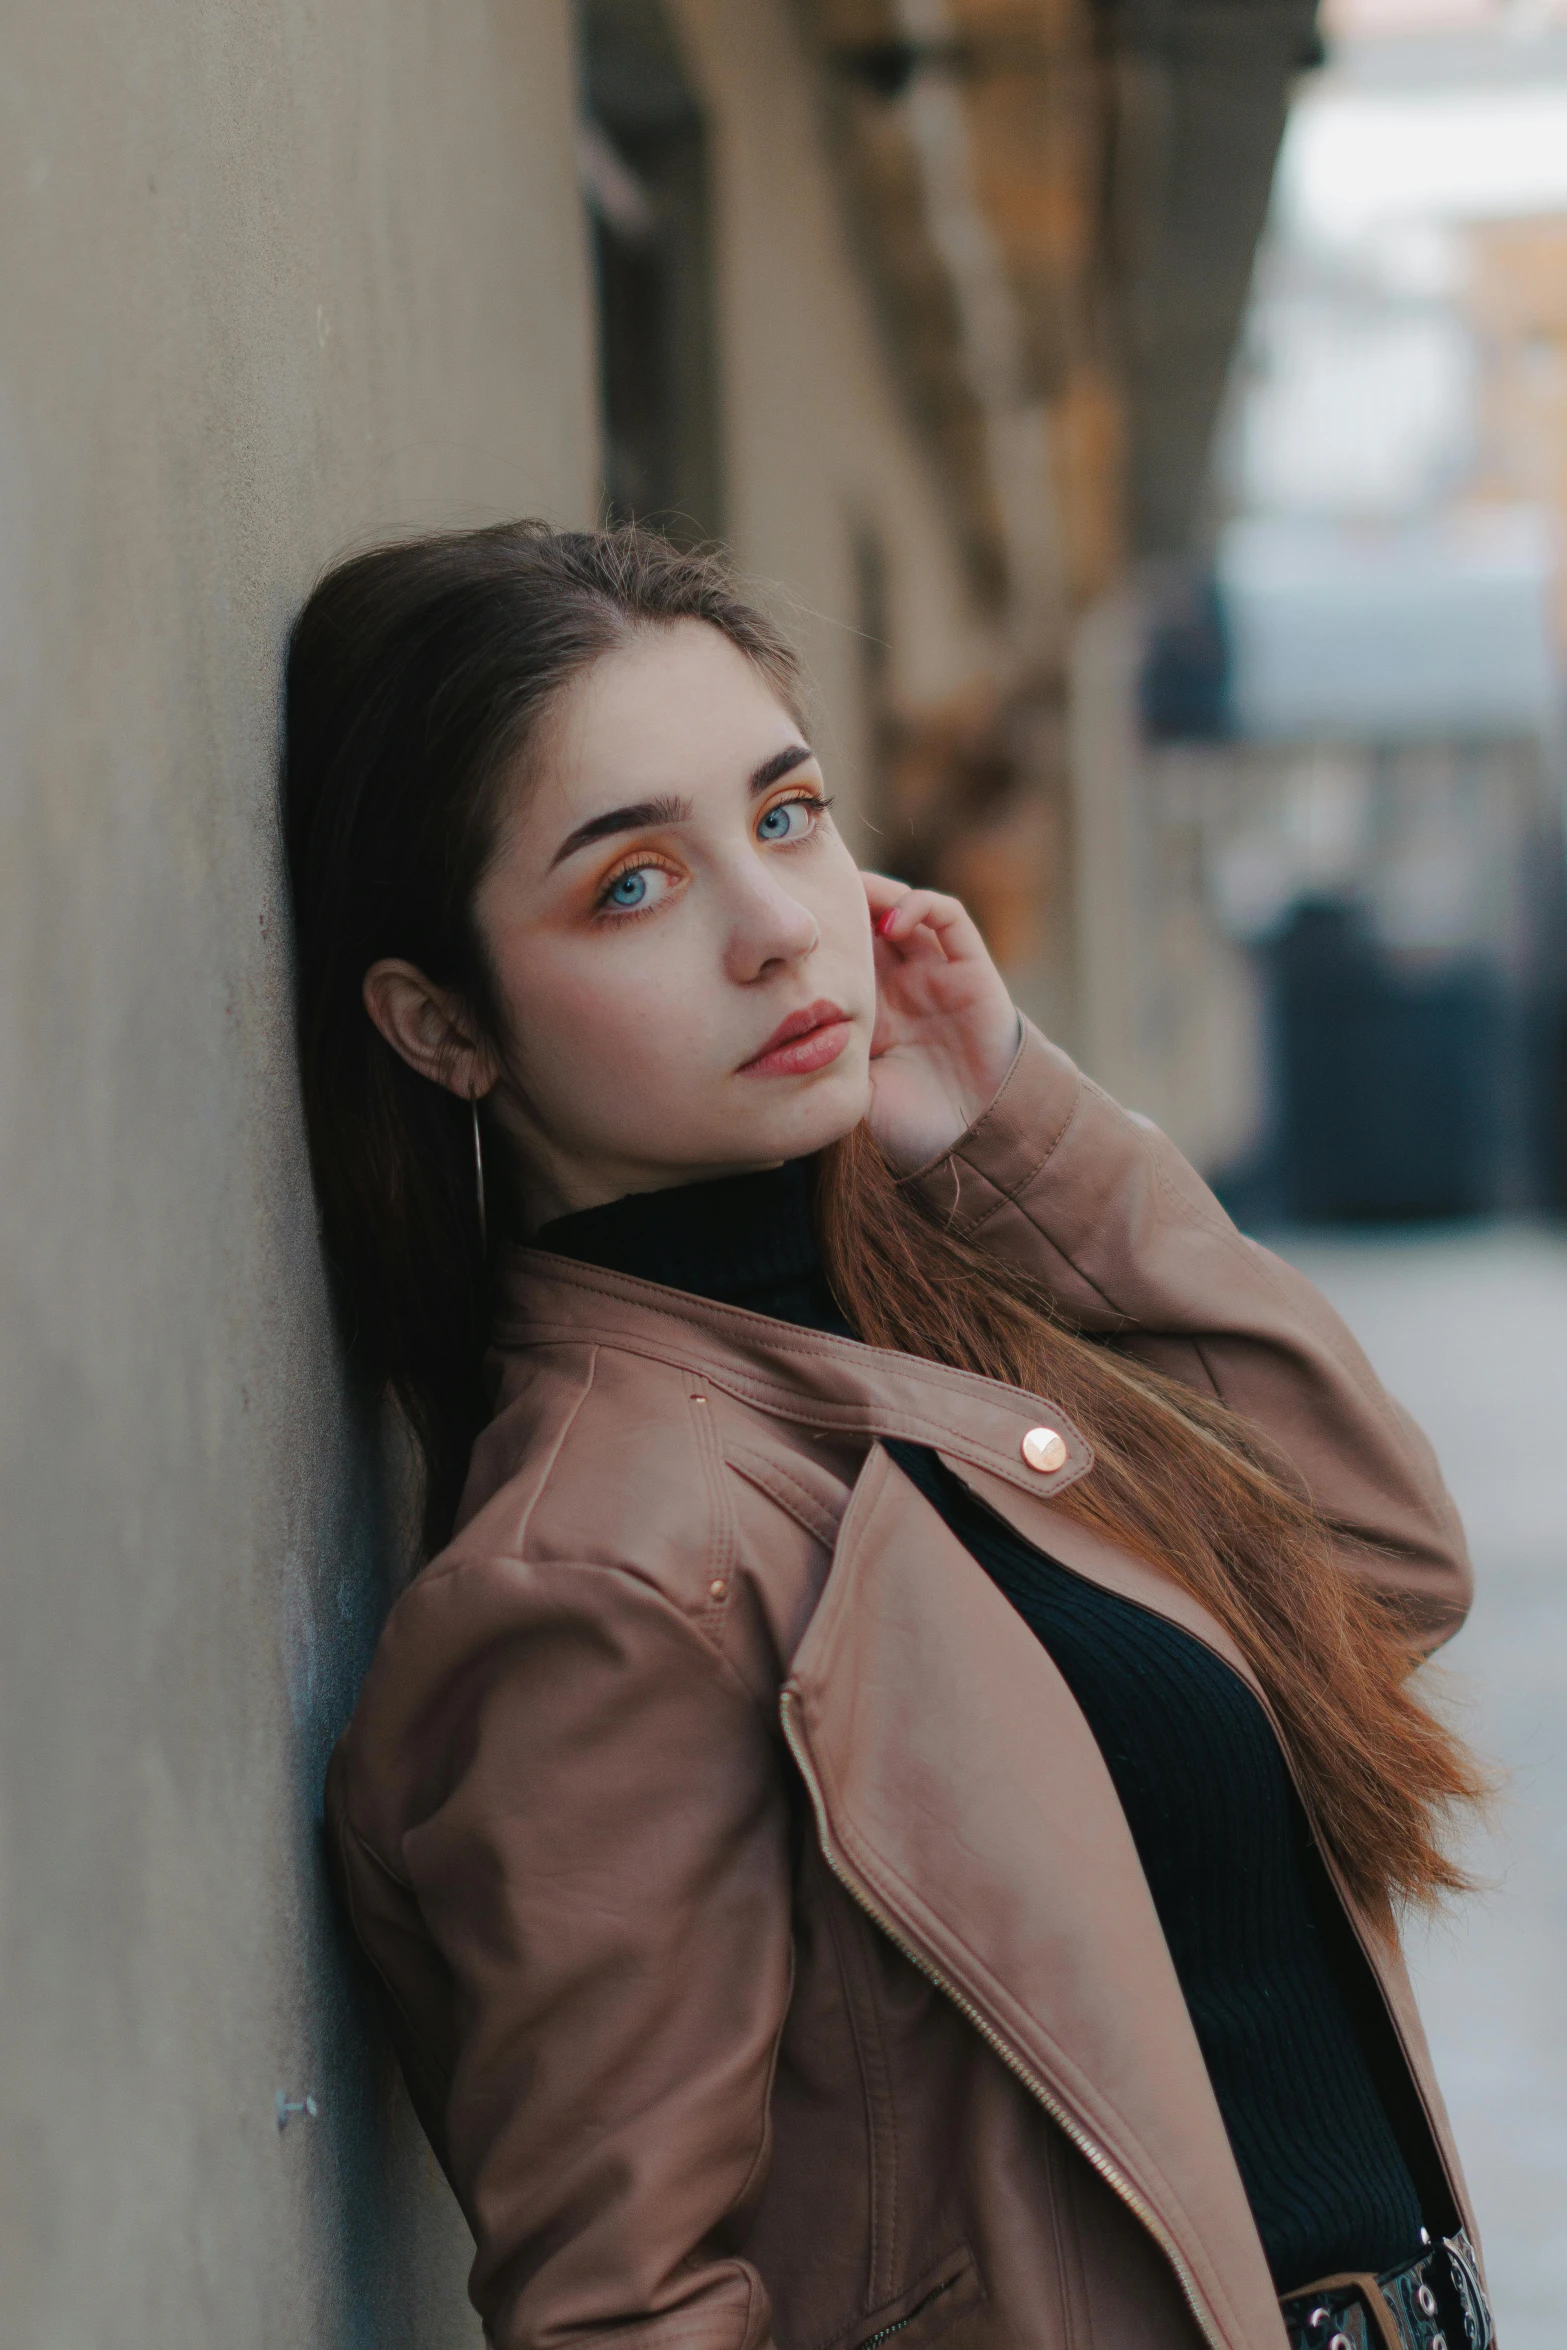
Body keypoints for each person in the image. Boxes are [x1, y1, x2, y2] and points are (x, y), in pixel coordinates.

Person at [285, 521, 1496, 2350]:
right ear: (438, 1024)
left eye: (785, 817)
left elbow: (1379, 1568)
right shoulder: (604, 1572)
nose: (781, 929)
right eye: (632, 884)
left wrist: (1014, 1125)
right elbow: (627, 2308)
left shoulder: (910, 1325)